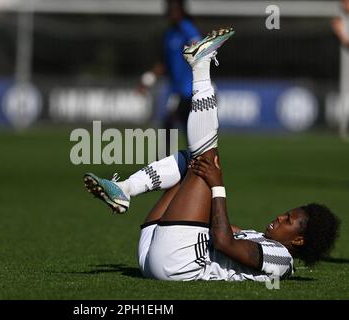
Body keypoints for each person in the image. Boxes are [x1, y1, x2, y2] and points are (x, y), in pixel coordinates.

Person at [84, 28, 340, 281]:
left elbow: (223, 242)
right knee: (192, 162)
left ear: (298, 239)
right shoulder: (262, 238)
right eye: (286, 213)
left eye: (288, 219)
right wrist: (205, 193)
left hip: (176, 263)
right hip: (157, 250)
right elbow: (222, 229)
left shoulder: (281, 260)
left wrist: (216, 187)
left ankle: (201, 66)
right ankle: (126, 189)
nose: (279, 217)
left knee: (207, 162)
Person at [139, 0, 202, 154]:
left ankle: (193, 167)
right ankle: (168, 166)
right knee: (169, 128)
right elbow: (164, 63)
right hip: (174, 90)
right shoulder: (169, 34)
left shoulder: (187, 29)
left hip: (188, 90)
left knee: (185, 129)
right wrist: (148, 79)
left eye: (172, 10)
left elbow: (200, 50)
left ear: (180, 11)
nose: (169, 13)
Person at [331, 0, 349, 140]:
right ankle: (345, 127)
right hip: (347, 65)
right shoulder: (339, 20)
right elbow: (345, 42)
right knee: (346, 97)